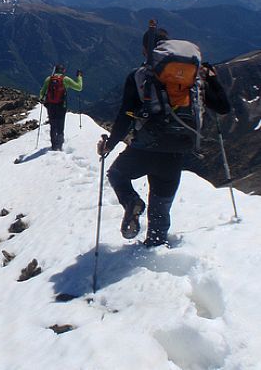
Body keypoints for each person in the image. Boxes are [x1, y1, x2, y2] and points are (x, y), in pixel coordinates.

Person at [97, 27, 231, 247]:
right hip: (176, 151)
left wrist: (109, 145)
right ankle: (154, 250)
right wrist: (213, 80)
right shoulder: (193, 78)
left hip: (144, 148)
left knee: (117, 175)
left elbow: (125, 116)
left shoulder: (139, 76)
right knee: (161, 206)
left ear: (145, 50)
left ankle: (132, 203)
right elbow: (223, 107)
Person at [39, 65, 83, 151]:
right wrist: (79, 77)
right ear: (63, 71)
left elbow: (42, 92)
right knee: (60, 125)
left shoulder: (49, 79)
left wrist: (42, 99)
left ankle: (54, 145)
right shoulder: (65, 79)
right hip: (61, 105)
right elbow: (79, 87)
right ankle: (59, 145)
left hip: (50, 105)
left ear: (55, 70)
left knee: (53, 125)